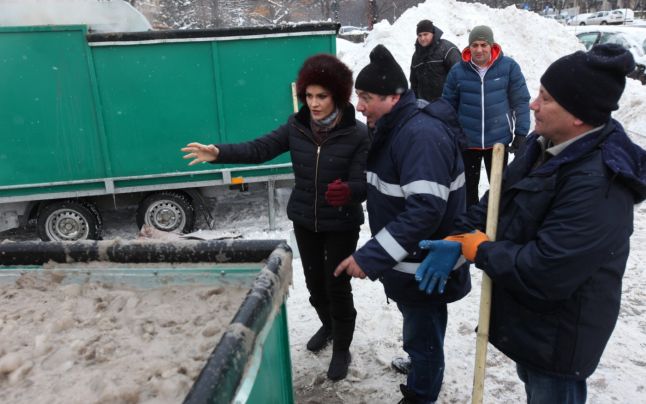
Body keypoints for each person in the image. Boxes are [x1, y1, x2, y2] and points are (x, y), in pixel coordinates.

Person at [417, 44, 645, 403]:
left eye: (546, 98)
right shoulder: (543, 144)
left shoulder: (599, 182)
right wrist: (459, 235)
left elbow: (548, 270)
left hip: (561, 334)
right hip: (533, 322)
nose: (533, 105)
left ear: (579, 115)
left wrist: (481, 250)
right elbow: (497, 201)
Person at [181, 54, 369, 381]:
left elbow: (364, 183)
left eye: (321, 96)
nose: (314, 103)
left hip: (341, 222)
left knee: (336, 286)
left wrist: (349, 191)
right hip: (305, 220)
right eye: (308, 96)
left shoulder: (357, 134)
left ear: (337, 96)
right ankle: (327, 325)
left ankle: (342, 347)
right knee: (313, 286)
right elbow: (260, 149)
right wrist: (219, 153)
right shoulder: (296, 127)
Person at [333, 44, 470, 404]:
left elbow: (426, 209)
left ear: (394, 97)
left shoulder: (419, 136)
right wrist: (354, 190)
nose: (359, 106)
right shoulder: (397, 126)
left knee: (423, 335)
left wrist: (371, 256)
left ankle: (420, 394)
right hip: (408, 260)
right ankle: (420, 367)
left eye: (366, 97)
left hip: (425, 263)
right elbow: (393, 184)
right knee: (418, 327)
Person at [442, 25, 530, 207]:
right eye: (475, 45)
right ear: (469, 47)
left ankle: (497, 228)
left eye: (483, 44)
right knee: (467, 193)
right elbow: (447, 106)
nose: (479, 49)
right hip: (467, 143)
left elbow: (520, 101)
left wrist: (521, 132)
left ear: (492, 45)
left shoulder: (509, 67)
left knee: (499, 192)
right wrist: (449, 135)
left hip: (498, 144)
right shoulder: (458, 72)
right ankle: (471, 228)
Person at [410, 19, 460, 102]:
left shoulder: (447, 49)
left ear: (433, 33)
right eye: (420, 35)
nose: (422, 38)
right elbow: (414, 83)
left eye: (425, 34)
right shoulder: (416, 57)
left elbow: (459, 76)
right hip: (425, 107)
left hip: (447, 104)